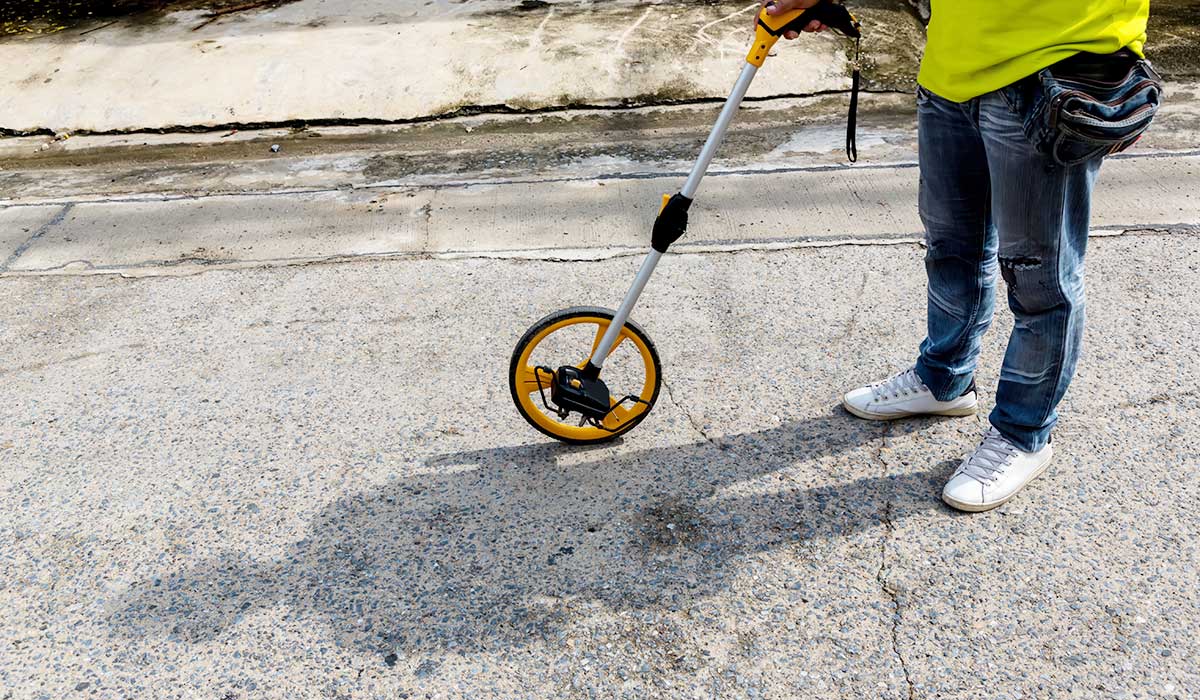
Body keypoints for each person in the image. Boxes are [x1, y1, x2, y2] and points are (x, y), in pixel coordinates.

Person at [760, 0, 1156, 511]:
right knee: (951, 249)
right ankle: (944, 379)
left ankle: (1023, 434)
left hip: (1053, 69)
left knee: (1040, 278)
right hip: (952, 66)